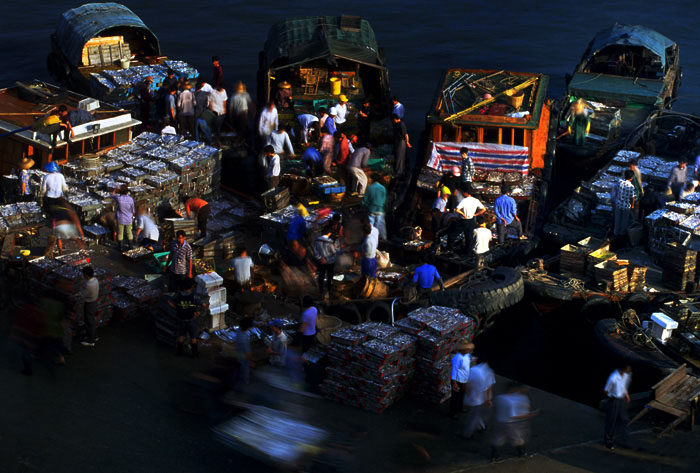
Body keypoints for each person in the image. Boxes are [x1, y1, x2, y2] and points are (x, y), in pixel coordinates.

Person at [491, 383, 538, 462]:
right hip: (512, 424)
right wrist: (530, 415)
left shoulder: (500, 397)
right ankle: (521, 453)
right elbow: (514, 416)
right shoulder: (513, 401)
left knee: (499, 438)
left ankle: (494, 455)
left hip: (501, 422)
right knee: (518, 439)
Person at [169, 278, 202, 358]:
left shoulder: (178, 295)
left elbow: (169, 301)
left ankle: (179, 352)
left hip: (181, 318)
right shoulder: (194, 296)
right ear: (191, 287)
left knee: (181, 335)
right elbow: (203, 305)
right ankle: (194, 354)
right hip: (191, 319)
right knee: (193, 337)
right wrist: (198, 311)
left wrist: (177, 308)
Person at [462, 361, 495, 439]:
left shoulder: (473, 370)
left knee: (475, 414)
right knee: (474, 416)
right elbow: (488, 388)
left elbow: (465, 382)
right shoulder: (489, 373)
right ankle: (467, 435)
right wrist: (488, 399)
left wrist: (468, 392)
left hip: (471, 398)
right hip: (481, 399)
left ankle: (481, 427)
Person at [604, 365, 632, 449]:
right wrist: (612, 396)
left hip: (621, 399)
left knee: (624, 419)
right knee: (611, 421)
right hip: (614, 400)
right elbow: (606, 390)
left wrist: (626, 395)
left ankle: (624, 439)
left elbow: (623, 386)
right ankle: (608, 441)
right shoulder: (614, 378)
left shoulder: (625, 376)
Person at [455, 185, 486, 254]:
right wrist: (476, 214)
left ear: (465, 193)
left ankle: (450, 249)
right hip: (471, 220)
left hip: (464, 220)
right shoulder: (476, 200)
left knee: (454, 234)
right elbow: (483, 209)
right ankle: (468, 252)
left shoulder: (464, 200)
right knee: (469, 237)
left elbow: (457, 209)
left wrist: (463, 214)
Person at [450, 341, 474, 418]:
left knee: (461, 395)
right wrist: (454, 383)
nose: (468, 350)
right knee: (455, 397)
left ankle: (459, 408)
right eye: (467, 349)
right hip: (457, 380)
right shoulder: (457, 358)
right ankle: (452, 412)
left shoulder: (467, 356)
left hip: (464, 379)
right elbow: (454, 370)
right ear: (463, 350)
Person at [611, 170, 636, 237]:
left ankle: (615, 233)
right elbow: (632, 197)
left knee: (617, 219)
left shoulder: (620, 182)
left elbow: (615, 190)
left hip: (618, 204)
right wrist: (632, 205)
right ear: (631, 177)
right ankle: (622, 234)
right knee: (624, 221)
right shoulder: (631, 187)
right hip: (626, 206)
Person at [80, 266, 99, 347]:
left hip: (89, 304)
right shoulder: (95, 280)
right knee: (92, 320)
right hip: (94, 302)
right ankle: (93, 336)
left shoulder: (89, 285)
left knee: (89, 321)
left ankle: (90, 340)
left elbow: (83, 295)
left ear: (86, 275)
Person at [314, 230, 337, 298]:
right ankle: (329, 290)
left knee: (321, 276)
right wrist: (327, 259)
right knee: (330, 277)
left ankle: (321, 290)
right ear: (329, 233)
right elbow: (334, 253)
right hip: (330, 262)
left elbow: (315, 252)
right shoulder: (329, 241)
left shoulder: (317, 240)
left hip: (321, 262)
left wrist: (321, 258)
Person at [363, 175, 387, 240]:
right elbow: (384, 200)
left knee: (371, 227)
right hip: (380, 210)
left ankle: (370, 239)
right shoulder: (383, 188)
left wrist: (364, 206)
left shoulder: (369, 188)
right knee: (380, 226)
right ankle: (383, 239)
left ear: (373, 180)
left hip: (371, 210)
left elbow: (364, 201)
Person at [112, 184, 135, 250]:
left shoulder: (119, 199)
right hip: (128, 219)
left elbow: (112, 195)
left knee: (120, 233)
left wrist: (115, 190)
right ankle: (130, 246)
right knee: (129, 232)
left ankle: (120, 247)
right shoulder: (131, 199)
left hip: (120, 219)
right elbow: (133, 210)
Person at [236, 317, 254, 384]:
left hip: (238, 353)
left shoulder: (238, 331)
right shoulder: (244, 338)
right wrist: (251, 361)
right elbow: (248, 352)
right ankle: (244, 382)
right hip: (244, 357)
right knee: (245, 370)